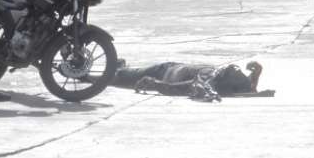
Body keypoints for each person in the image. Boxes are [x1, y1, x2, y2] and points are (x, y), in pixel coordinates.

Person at [113, 60, 269, 102]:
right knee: (118, 76)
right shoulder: (210, 75)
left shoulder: (231, 81)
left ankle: (120, 66)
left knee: (123, 75)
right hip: (164, 70)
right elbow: (190, 86)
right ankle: (117, 66)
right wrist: (158, 84)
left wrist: (255, 77)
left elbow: (248, 88)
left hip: (169, 73)